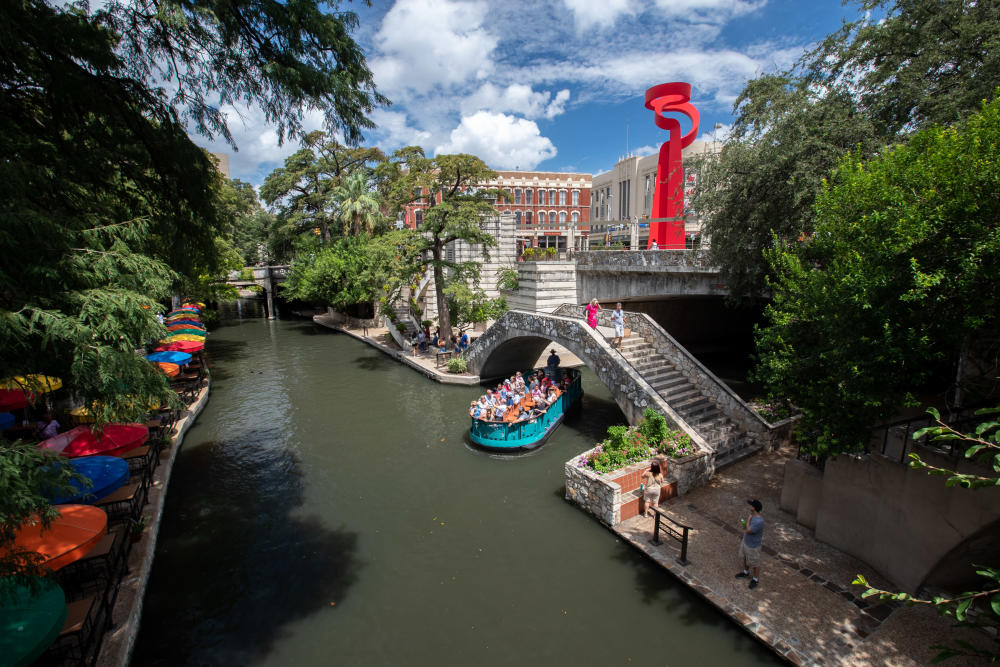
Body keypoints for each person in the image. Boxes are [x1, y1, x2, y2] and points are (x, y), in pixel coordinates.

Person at [736, 499, 765, 590]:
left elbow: (748, 530)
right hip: (746, 541)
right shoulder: (753, 516)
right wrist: (745, 524)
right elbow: (746, 528)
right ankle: (745, 572)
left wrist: (748, 519)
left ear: (754, 508)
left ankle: (755, 579)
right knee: (745, 557)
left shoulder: (759, 521)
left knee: (755, 563)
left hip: (753, 546)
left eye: (751, 505)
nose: (749, 506)